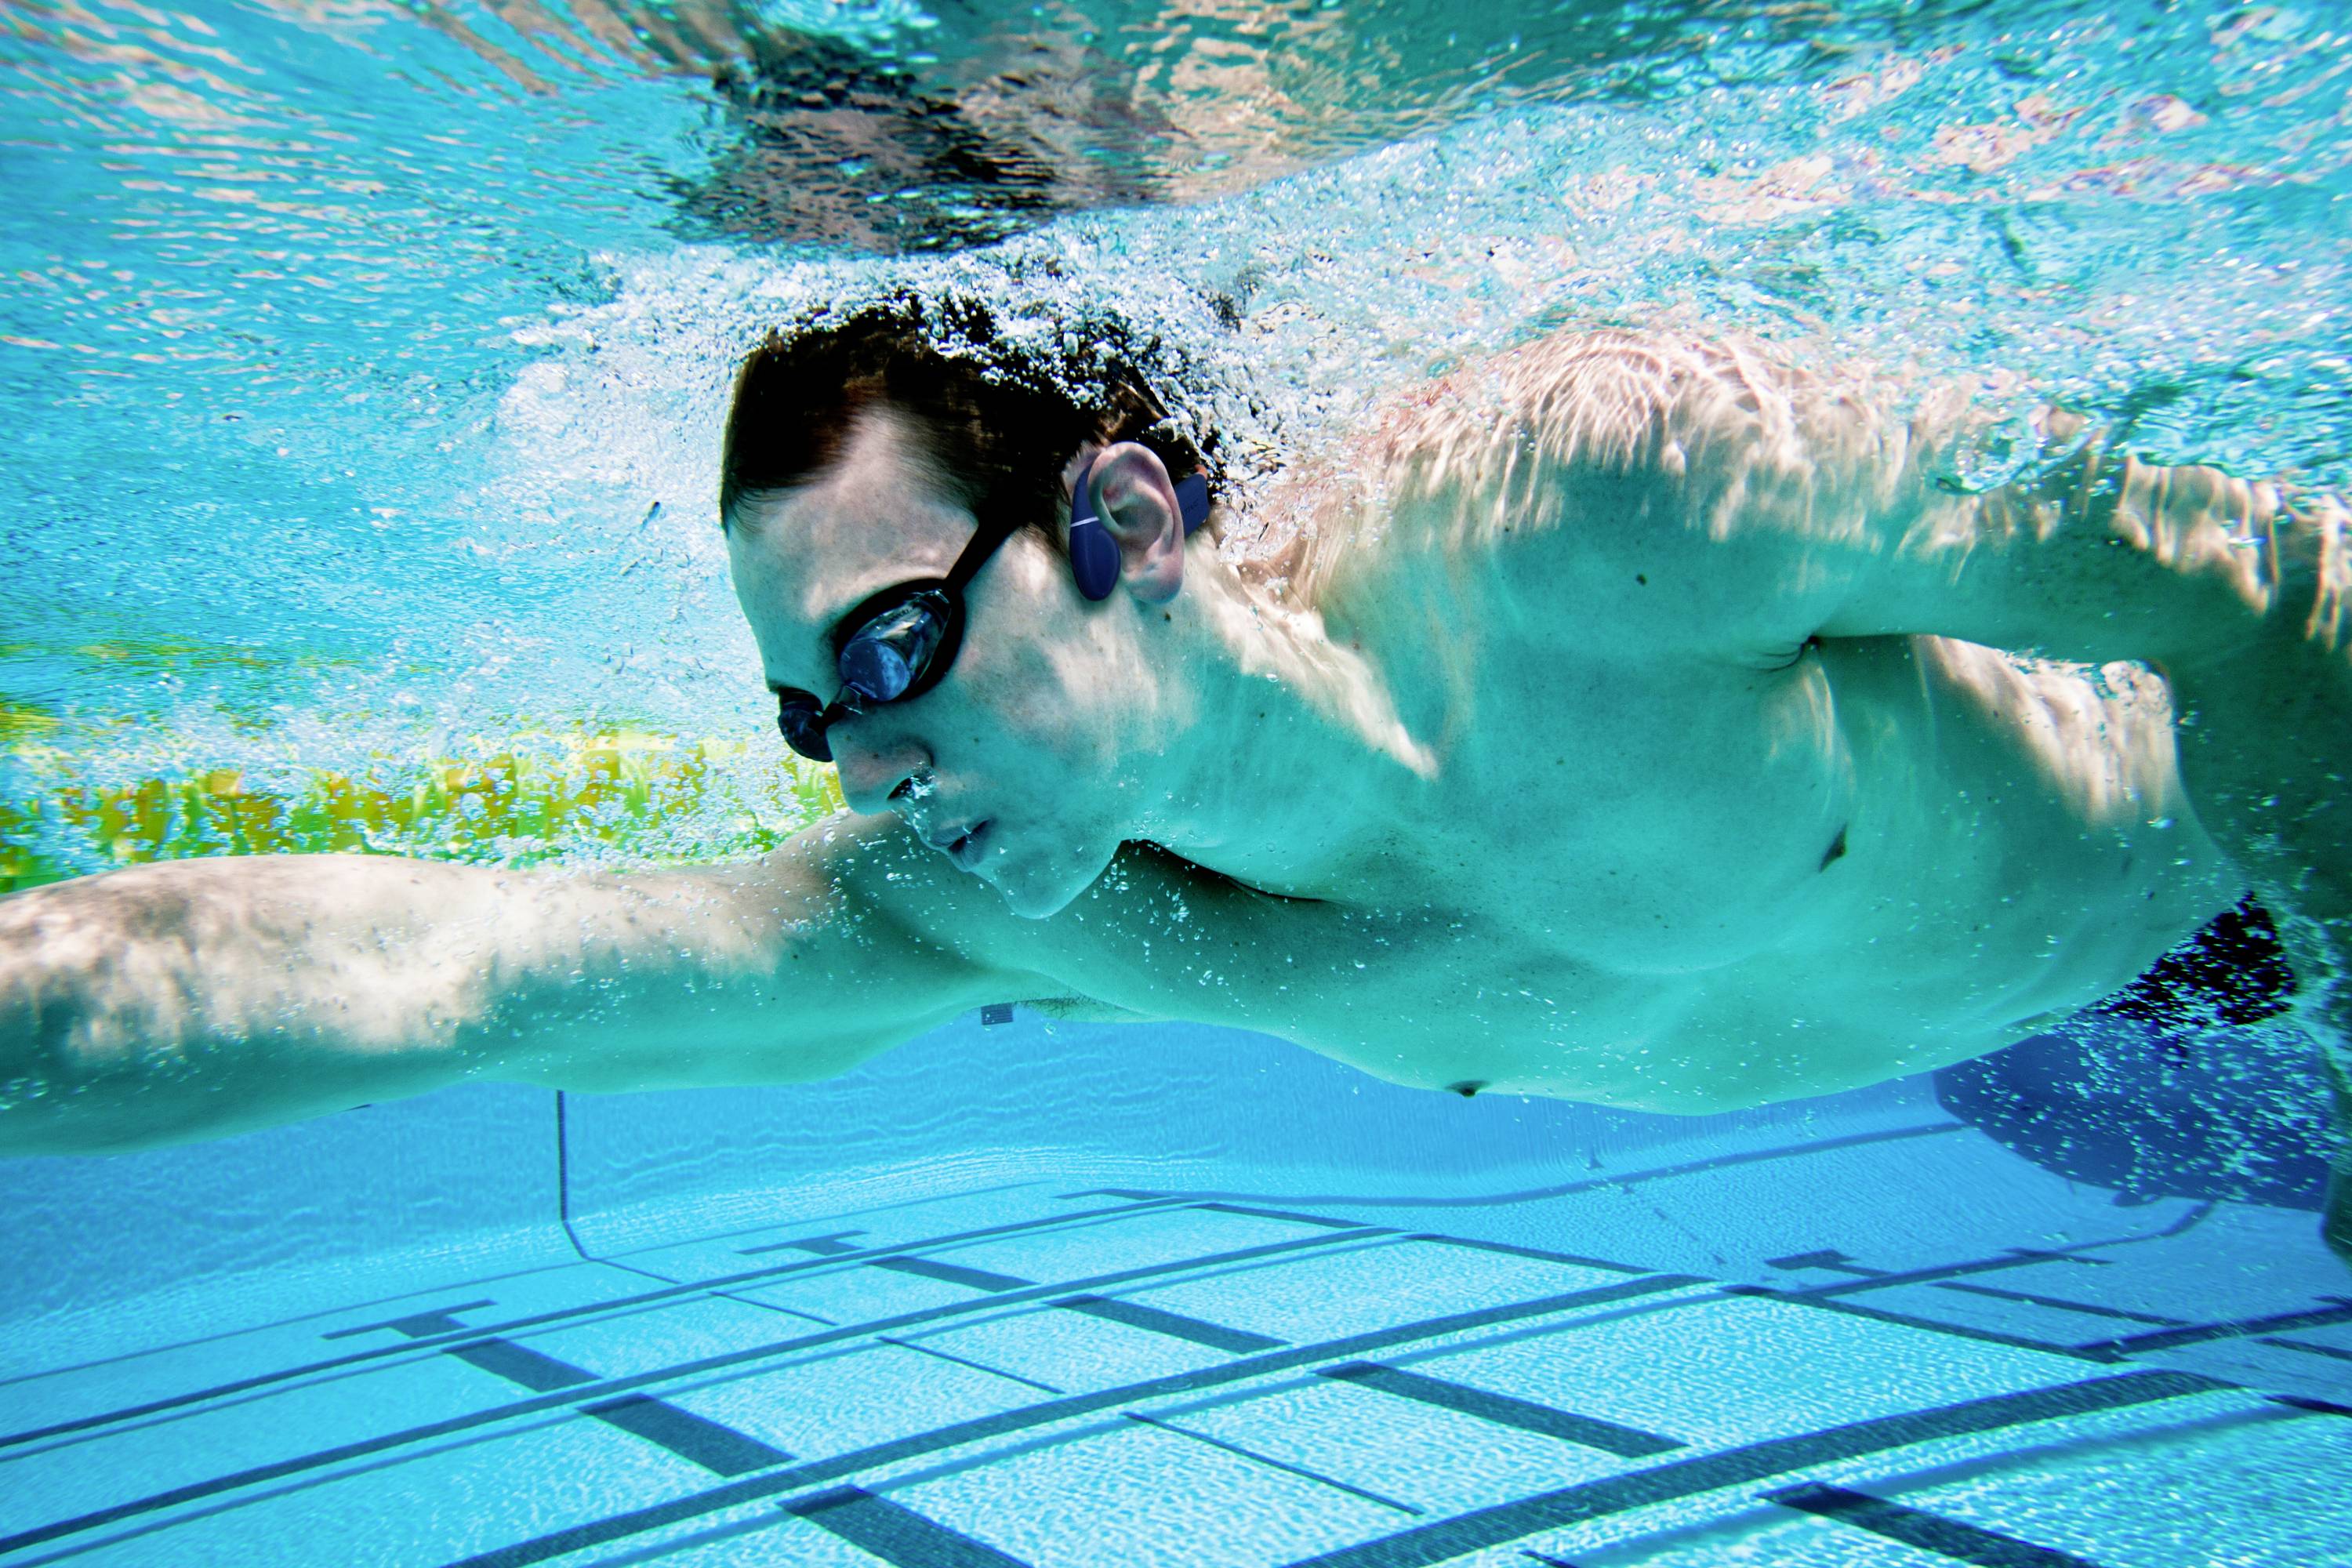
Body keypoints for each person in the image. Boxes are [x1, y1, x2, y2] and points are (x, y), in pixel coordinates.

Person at [2, 300, 2345, 1263]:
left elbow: (2264, 588)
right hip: (2050, 1049)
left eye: (893, 642)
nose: (877, 766)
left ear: (1127, 521)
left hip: (2276, 899)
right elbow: (454, 974)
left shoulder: (1594, 519)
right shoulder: (1034, 904)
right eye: (813, 714)